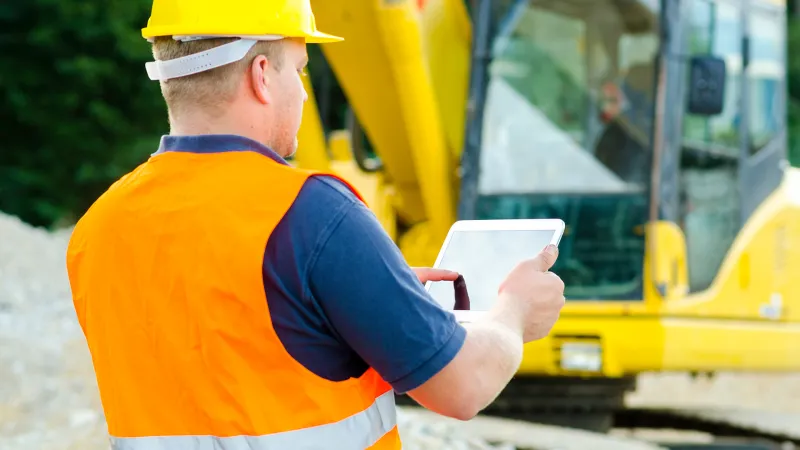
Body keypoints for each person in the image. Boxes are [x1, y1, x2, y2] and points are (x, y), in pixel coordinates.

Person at [65, 0, 566, 449]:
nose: (303, 96)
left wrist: (356, 302)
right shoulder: (311, 213)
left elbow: (221, 351)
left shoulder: (98, 228)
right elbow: (464, 386)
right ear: (262, 75)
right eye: (300, 72)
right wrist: (514, 310)